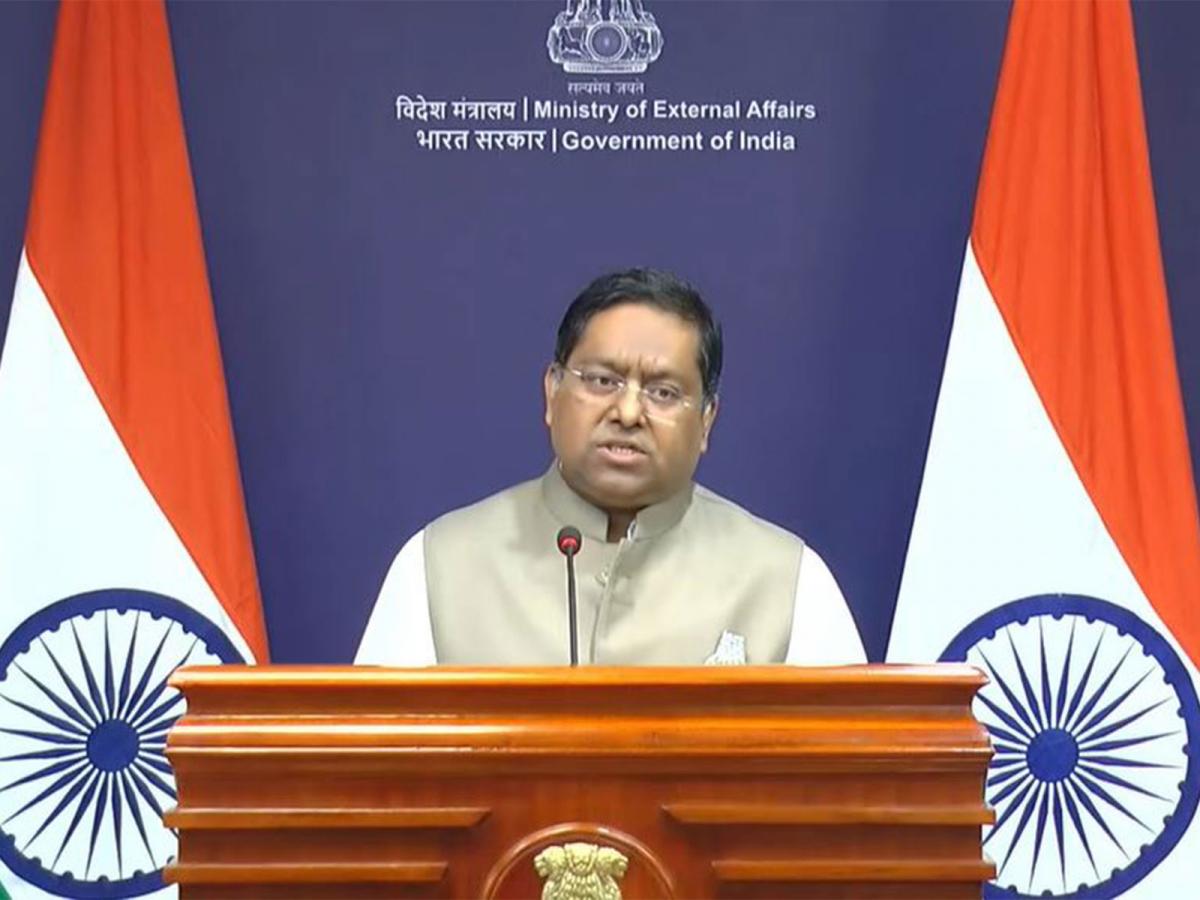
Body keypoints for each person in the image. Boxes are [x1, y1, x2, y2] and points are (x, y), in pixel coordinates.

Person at [356, 268, 865, 666]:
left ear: (707, 420)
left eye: (663, 392)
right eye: (602, 381)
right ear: (552, 392)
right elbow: (373, 763)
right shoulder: (439, 565)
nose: (627, 412)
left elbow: (851, 766)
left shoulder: (787, 581)